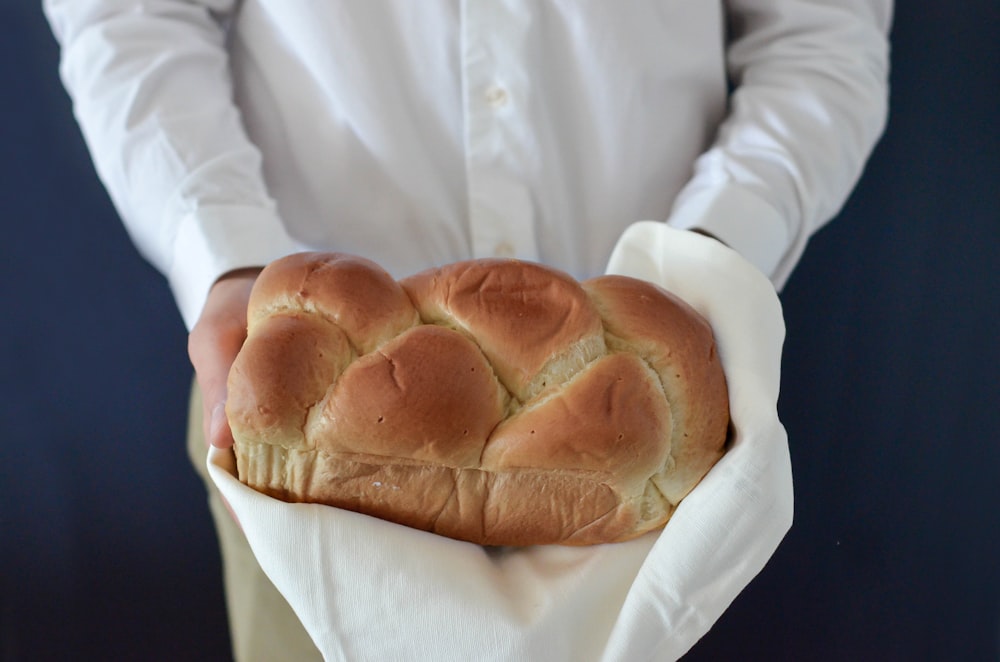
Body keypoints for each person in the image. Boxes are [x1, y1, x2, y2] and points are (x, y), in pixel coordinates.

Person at [44, 1, 893, 659]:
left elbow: (822, 40)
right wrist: (225, 260)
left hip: (660, 441)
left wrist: (706, 264)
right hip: (299, 437)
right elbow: (129, 16)